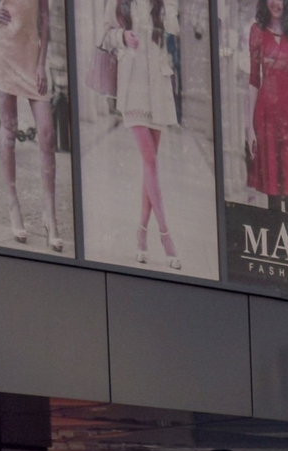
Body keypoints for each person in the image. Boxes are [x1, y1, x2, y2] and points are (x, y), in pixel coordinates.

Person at [102, 0, 180, 268]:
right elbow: (105, 35)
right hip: (132, 85)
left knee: (150, 165)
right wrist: (122, 36)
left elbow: (174, 27)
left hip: (158, 87)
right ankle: (166, 235)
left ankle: (141, 234)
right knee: (150, 159)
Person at [0, 0, 59, 247]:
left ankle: (49, 212)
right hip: (5, 52)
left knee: (48, 135)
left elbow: (45, 19)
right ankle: (13, 202)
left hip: (32, 58)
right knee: (9, 129)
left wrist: (41, 64)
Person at [246, 0, 288, 222]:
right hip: (266, 119)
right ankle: (277, 241)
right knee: (273, 194)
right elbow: (254, 80)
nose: (275, 3)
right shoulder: (257, 32)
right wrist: (249, 128)